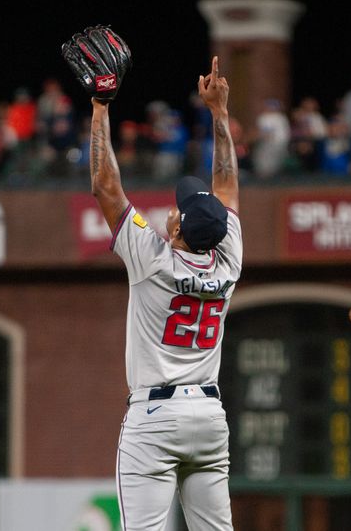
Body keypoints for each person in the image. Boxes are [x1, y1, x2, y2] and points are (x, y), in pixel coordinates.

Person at [89, 56, 240, 530]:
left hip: (155, 415)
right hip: (209, 417)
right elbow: (228, 187)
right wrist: (219, 114)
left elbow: (104, 185)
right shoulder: (229, 257)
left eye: (177, 212)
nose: (172, 212)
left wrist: (100, 106)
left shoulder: (153, 259)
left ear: (177, 229)